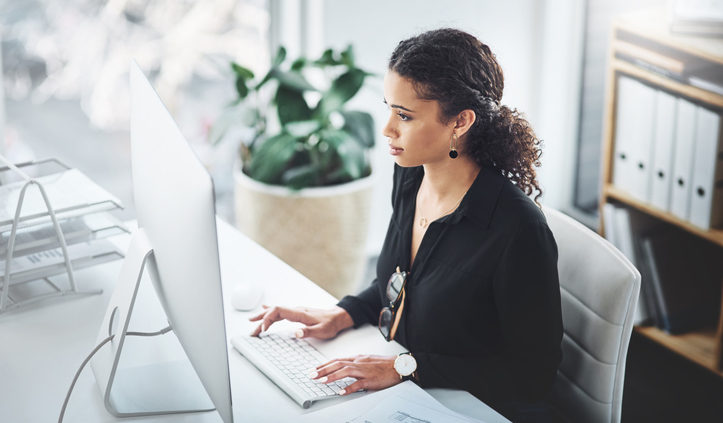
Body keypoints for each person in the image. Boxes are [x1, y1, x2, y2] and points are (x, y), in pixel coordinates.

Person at [250, 28, 563, 422]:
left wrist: (405, 368)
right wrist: (344, 314)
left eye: (404, 116)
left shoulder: (516, 229)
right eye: (389, 108)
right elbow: (402, 280)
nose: (387, 129)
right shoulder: (412, 175)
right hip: (411, 393)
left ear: (461, 122)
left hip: (475, 408)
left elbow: (533, 377)